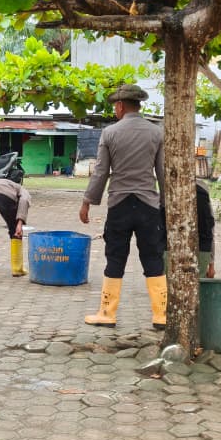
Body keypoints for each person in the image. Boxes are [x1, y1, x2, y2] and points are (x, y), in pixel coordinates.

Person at [79, 84, 166, 329]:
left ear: (119, 106)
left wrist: (87, 202)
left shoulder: (110, 133)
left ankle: (107, 313)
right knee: (153, 256)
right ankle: (161, 315)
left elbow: (100, 172)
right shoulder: (156, 132)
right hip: (149, 205)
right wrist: (166, 204)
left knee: (115, 256)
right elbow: (162, 172)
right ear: (139, 105)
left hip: (119, 205)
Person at [162, 182, 216, 279]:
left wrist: (211, 264)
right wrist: (211, 264)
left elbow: (209, 229)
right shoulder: (169, 190)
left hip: (175, 247)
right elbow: (210, 229)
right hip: (192, 247)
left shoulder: (169, 189)